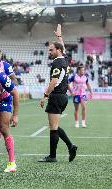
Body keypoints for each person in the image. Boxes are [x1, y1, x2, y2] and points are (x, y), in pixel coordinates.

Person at [38, 24, 77, 163]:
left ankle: (56, 154)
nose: (50, 52)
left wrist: (45, 96)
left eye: (51, 50)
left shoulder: (56, 63)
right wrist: (59, 37)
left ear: (58, 50)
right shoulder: (64, 60)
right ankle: (67, 148)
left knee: (53, 127)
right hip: (63, 96)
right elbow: (63, 48)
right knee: (53, 126)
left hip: (56, 96)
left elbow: (53, 82)